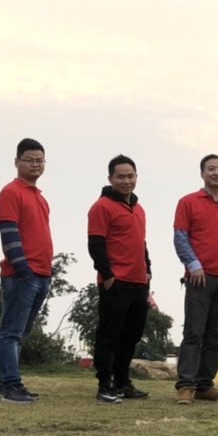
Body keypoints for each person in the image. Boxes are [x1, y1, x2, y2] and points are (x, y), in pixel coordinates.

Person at [173, 154, 218, 404]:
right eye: (211, 169)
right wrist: (193, 265)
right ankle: (186, 385)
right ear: (202, 173)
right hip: (199, 278)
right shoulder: (188, 202)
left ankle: (205, 385)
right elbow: (180, 237)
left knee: (216, 334)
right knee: (194, 332)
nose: (216, 173)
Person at [88, 155, 152, 405]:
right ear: (110, 178)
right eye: (121, 177)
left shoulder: (139, 208)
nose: (126, 181)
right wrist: (108, 276)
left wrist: (148, 270)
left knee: (131, 336)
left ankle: (123, 382)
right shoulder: (101, 207)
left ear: (137, 177)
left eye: (130, 176)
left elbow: (141, 243)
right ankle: (105, 384)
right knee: (109, 335)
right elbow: (96, 244)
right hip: (116, 282)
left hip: (138, 282)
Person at [0, 138, 53, 405]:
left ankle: (6, 380)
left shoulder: (39, 197)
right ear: (17, 162)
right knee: (11, 332)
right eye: (29, 160)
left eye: (39, 160)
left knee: (22, 331)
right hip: (22, 274)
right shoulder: (11, 192)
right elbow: (9, 234)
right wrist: (23, 269)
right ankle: (10, 385)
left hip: (42, 273)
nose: (35, 164)